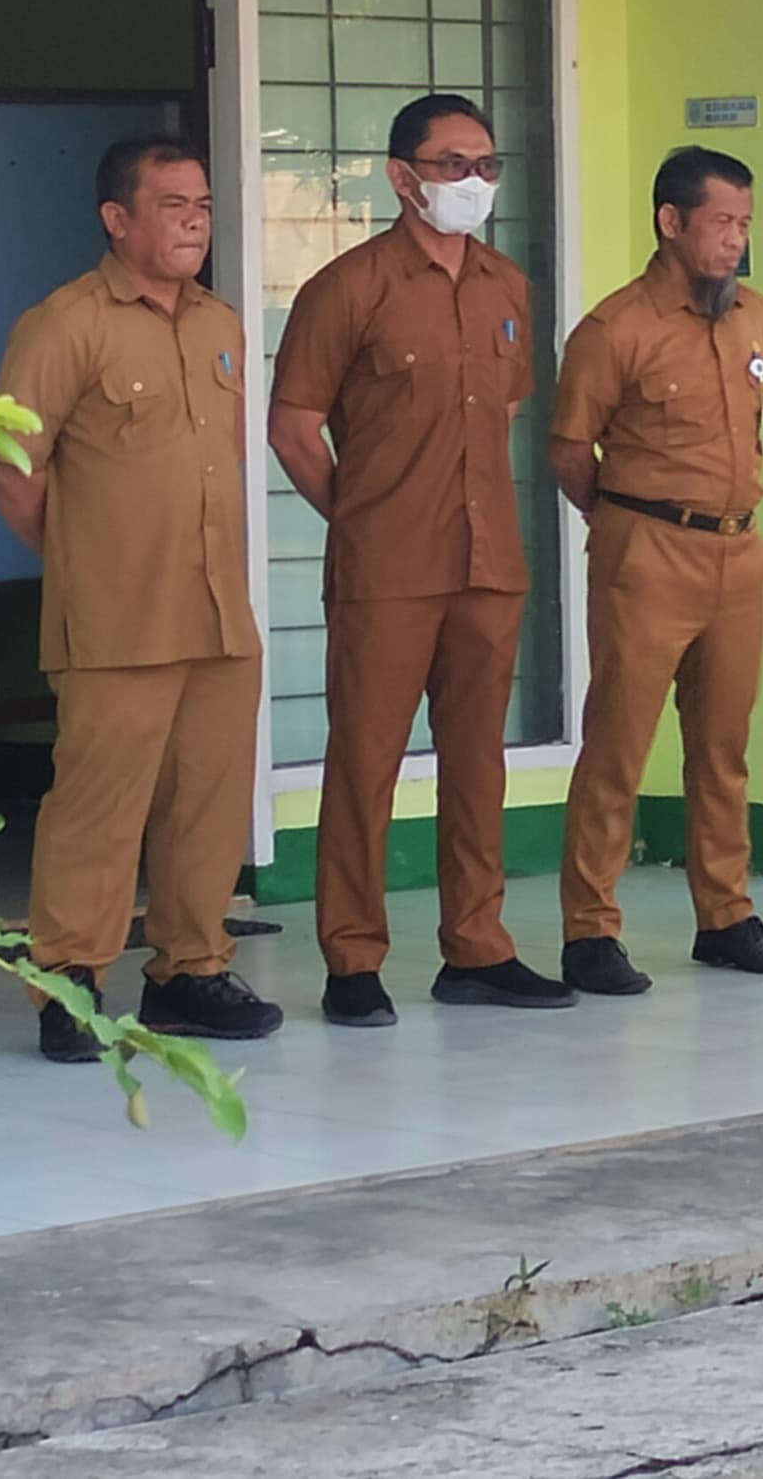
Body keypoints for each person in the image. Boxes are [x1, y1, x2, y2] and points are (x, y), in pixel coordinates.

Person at [269, 94, 574, 1026]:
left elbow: (507, 408)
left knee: (478, 759)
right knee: (365, 761)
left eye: (486, 164)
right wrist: (356, 516)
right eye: (451, 165)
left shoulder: (504, 286)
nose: (473, 182)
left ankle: (476, 945)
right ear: (401, 176)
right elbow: (292, 427)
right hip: (386, 569)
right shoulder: (349, 286)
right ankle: (353, 957)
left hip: (488, 561)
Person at [0, 132, 280, 1064]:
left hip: (216, 611)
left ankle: (189, 971)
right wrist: (82, 556)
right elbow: (11, 464)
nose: (193, 222)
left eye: (201, 206)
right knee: (97, 806)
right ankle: (70, 981)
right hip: (116, 616)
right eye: (171, 206)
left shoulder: (220, 323)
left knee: (209, 802)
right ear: (118, 219)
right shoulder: (65, 322)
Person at [545, 148, 763, 996]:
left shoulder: (754, 318)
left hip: (739, 549)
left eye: (744, 224)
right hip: (647, 549)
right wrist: (623, 516)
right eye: (721, 223)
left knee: (724, 746)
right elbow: (566, 449)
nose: (736, 240)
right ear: (671, 222)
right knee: (619, 744)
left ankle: (725, 914)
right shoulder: (614, 329)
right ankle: (590, 929)